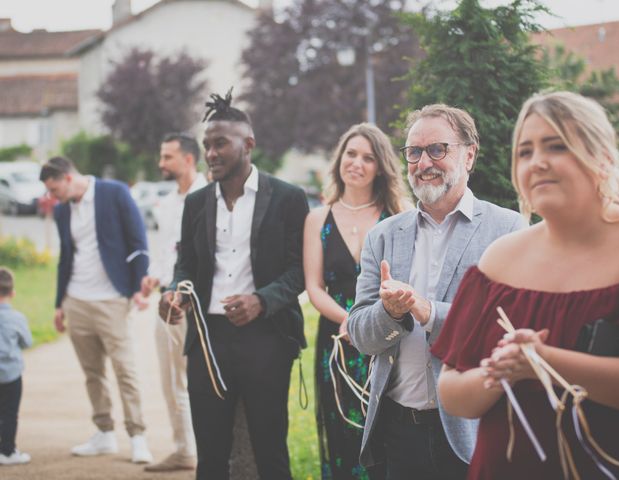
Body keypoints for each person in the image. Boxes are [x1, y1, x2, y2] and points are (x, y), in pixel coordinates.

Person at [432, 91, 619, 479]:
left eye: (556, 146)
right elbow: (453, 394)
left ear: (602, 157)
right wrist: (504, 370)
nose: (537, 162)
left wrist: (546, 361)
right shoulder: (499, 260)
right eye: (524, 152)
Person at [347, 104, 527, 479]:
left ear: (469, 154)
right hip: (398, 430)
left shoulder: (508, 229)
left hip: (473, 430)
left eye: (437, 149)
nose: (423, 161)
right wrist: (391, 313)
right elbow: (361, 334)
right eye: (414, 152)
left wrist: (430, 312)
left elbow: (510, 330)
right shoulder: (383, 235)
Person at [158, 89, 309, 480]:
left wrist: (262, 300)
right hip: (207, 341)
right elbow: (185, 265)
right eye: (207, 145)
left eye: (220, 143)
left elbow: (300, 271)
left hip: (267, 338)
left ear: (249, 145)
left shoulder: (288, 199)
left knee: (271, 451)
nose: (211, 153)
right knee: (210, 458)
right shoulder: (197, 202)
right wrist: (176, 293)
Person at [304, 123, 409, 480]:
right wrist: (349, 321)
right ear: (339, 159)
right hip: (335, 341)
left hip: (386, 339)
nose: (357, 163)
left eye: (368, 157)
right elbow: (314, 287)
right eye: (351, 154)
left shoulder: (397, 215)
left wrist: (370, 324)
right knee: (341, 432)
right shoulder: (318, 218)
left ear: (380, 166)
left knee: (384, 433)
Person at [40, 157, 152, 464]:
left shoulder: (113, 193)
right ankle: (104, 433)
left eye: (54, 188)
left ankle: (137, 436)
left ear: (67, 176)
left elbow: (138, 241)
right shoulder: (63, 210)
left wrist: (138, 288)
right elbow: (66, 256)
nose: (52, 196)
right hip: (76, 300)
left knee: (125, 370)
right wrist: (59, 303)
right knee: (92, 373)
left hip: (112, 299)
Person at [139, 133, 206, 472]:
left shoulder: (210, 197)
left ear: (189, 159)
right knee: (171, 380)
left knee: (199, 379)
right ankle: (184, 449)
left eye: (167, 157)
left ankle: (204, 450)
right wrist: (153, 276)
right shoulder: (166, 204)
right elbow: (167, 251)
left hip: (199, 304)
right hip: (167, 299)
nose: (160, 163)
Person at [0, 267, 32, 466]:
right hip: (11, 375)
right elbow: (27, 342)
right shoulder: (17, 318)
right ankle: (8, 451)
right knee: (10, 413)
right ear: (12, 293)